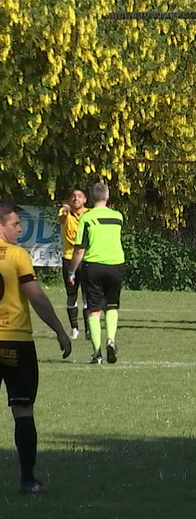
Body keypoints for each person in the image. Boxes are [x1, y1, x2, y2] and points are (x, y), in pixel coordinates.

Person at [0, 201, 71, 493]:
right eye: (15, 223)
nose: (20, 228)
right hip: (16, 342)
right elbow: (36, 297)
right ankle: (28, 480)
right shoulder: (17, 256)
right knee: (23, 410)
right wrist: (60, 330)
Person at [68, 183, 125, 364]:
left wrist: (71, 270)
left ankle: (97, 353)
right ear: (107, 197)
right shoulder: (118, 217)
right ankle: (111, 339)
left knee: (93, 310)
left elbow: (80, 248)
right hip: (116, 264)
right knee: (112, 306)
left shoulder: (87, 218)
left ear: (91, 198)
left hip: (93, 266)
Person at [57, 189, 90, 340]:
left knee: (87, 296)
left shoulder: (90, 214)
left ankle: (89, 329)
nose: (75, 198)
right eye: (73, 196)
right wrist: (66, 210)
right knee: (72, 295)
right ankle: (74, 327)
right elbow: (62, 217)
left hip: (86, 259)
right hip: (69, 259)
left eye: (79, 196)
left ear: (85, 200)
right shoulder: (65, 212)